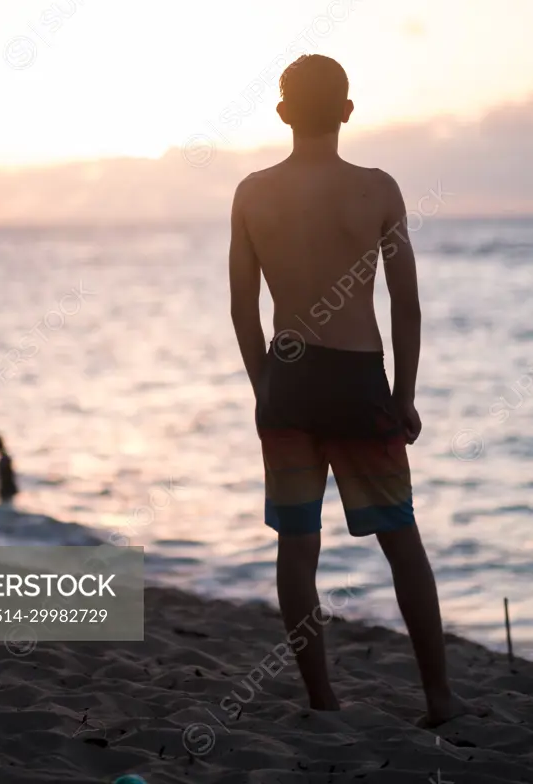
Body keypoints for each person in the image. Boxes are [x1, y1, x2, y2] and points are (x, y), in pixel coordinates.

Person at [229, 54, 479, 727]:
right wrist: (404, 395)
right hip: (360, 380)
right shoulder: (377, 188)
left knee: (296, 546)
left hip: (289, 379)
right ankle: (439, 697)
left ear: (283, 113)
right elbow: (407, 306)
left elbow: (241, 309)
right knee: (401, 541)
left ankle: (322, 699)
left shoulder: (252, 193)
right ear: (346, 110)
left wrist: (264, 389)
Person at [0, 434, 19, 503]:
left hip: (7, 488)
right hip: (7, 488)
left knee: (7, 508)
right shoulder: (3, 455)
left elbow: (7, 475)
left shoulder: (4, 456)